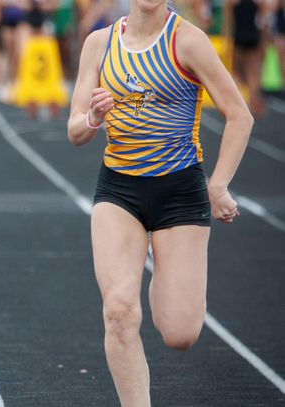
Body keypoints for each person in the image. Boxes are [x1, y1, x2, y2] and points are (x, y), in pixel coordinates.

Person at [67, 1, 253, 405]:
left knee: (180, 334)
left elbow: (240, 116)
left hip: (179, 193)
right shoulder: (100, 43)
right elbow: (75, 130)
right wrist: (94, 119)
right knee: (119, 313)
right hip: (119, 190)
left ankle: (160, 272)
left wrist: (218, 185)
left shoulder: (188, 42)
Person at [223, 0, 267, 115]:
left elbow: (229, 22)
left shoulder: (232, 2)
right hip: (253, 36)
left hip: (239, 37)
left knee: (236, 71)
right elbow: (262, 22)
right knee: (252, 72)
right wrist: (263, 40)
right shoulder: (258, 2)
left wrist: (227, 39)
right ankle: (253, 101)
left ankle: (239, 104)